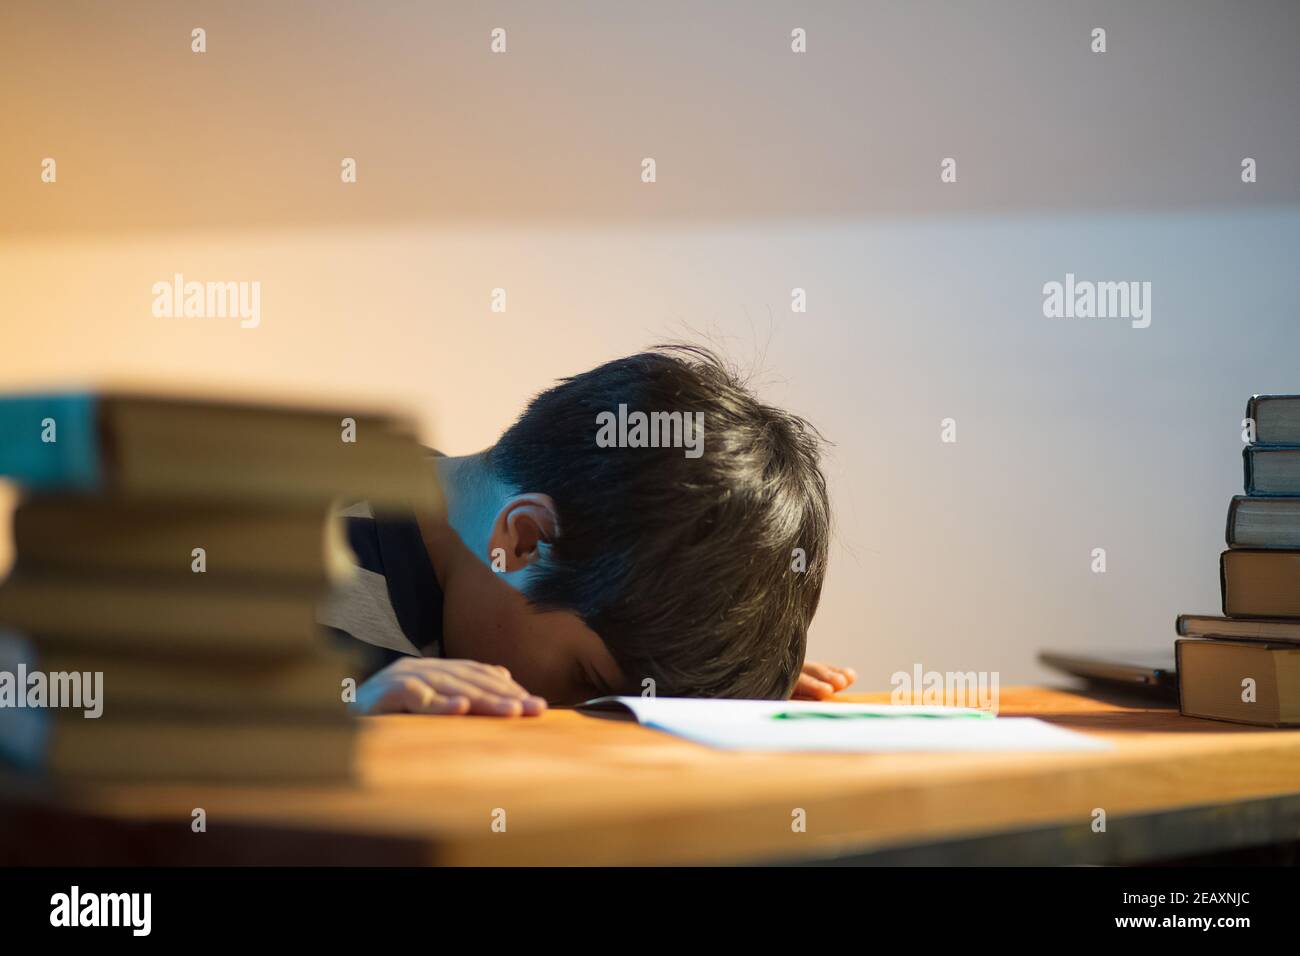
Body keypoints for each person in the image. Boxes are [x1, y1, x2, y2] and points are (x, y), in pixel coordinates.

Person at [320, 345, 855, 716]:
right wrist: (349, 720)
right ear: (524, 540)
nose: (579, 711)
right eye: (589, 682)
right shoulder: (289, 553)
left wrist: (713, 684)